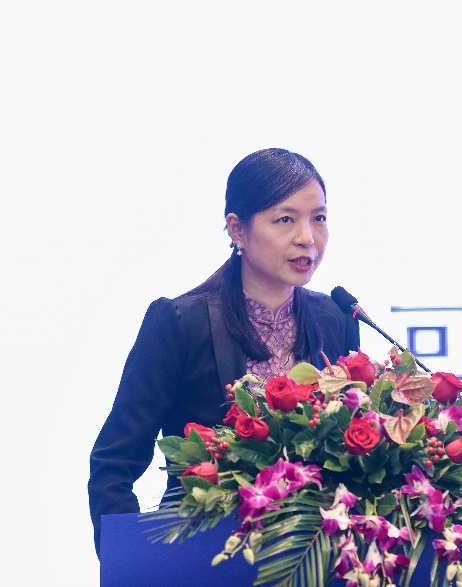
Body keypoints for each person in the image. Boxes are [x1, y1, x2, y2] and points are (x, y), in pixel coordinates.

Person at [88, 148, 360, 556]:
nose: (307, 237)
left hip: (309, 559)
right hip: (201, 554)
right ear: (237, 229)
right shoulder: (180, 322)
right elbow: (114, 465)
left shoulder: (336, 319)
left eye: (318, 218)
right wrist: (133, 560)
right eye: (285, 219)